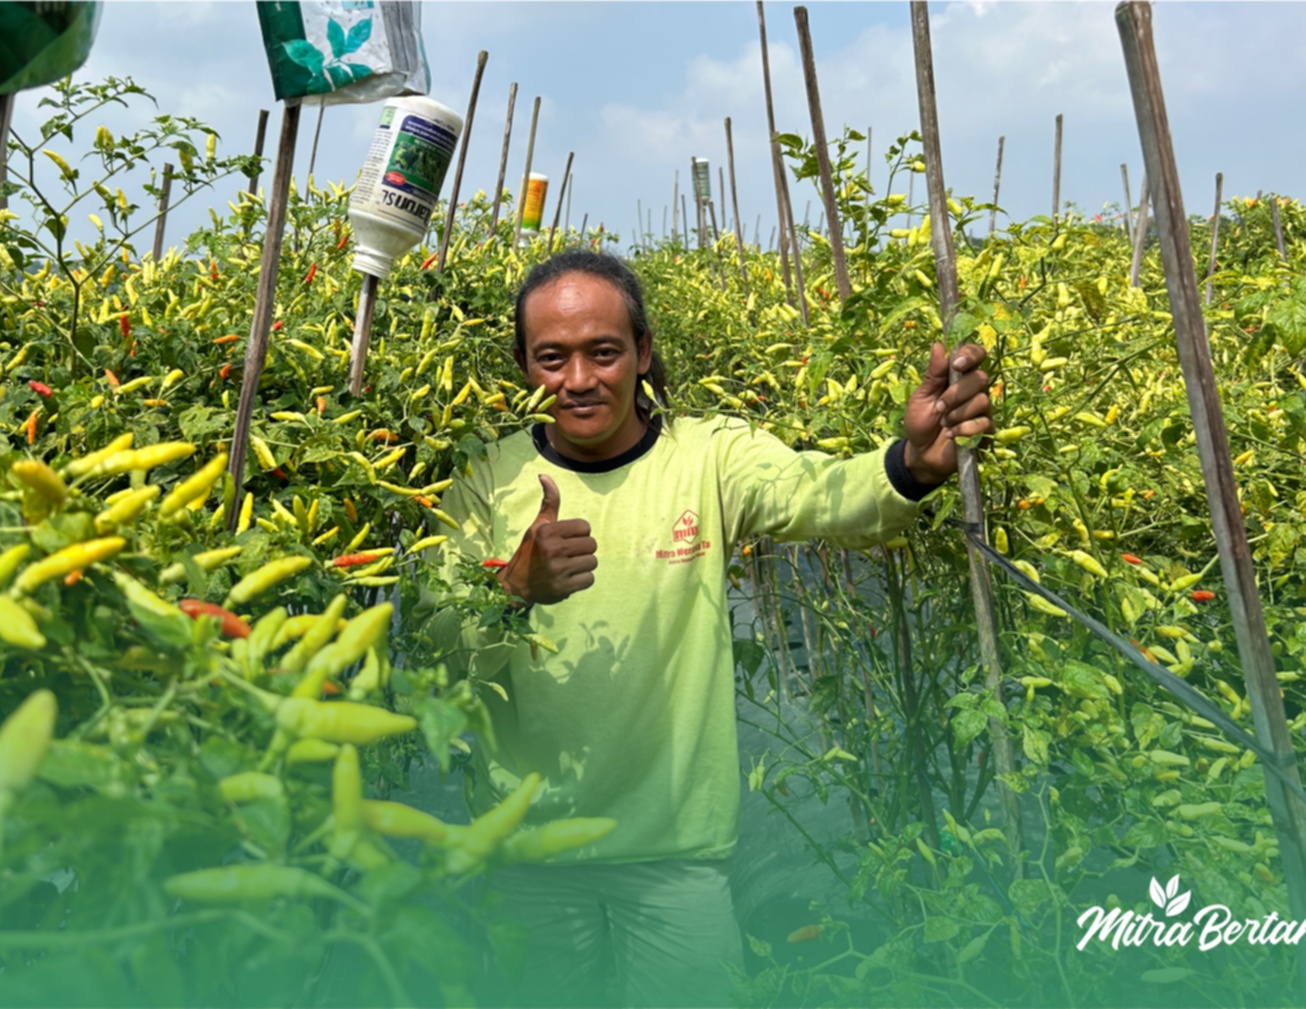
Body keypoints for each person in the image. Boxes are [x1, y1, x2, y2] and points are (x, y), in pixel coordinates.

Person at [421, 250, 994, 1008]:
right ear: (522, 365)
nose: (579, 379)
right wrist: (511, 591)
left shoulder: (707, 455)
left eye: (604, 352)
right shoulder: (481, 477)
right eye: (550, 358)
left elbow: (813, 495)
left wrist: (909, 465)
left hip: (675, 854)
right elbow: (433, 639)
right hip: (525, 854)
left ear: (643, 352)